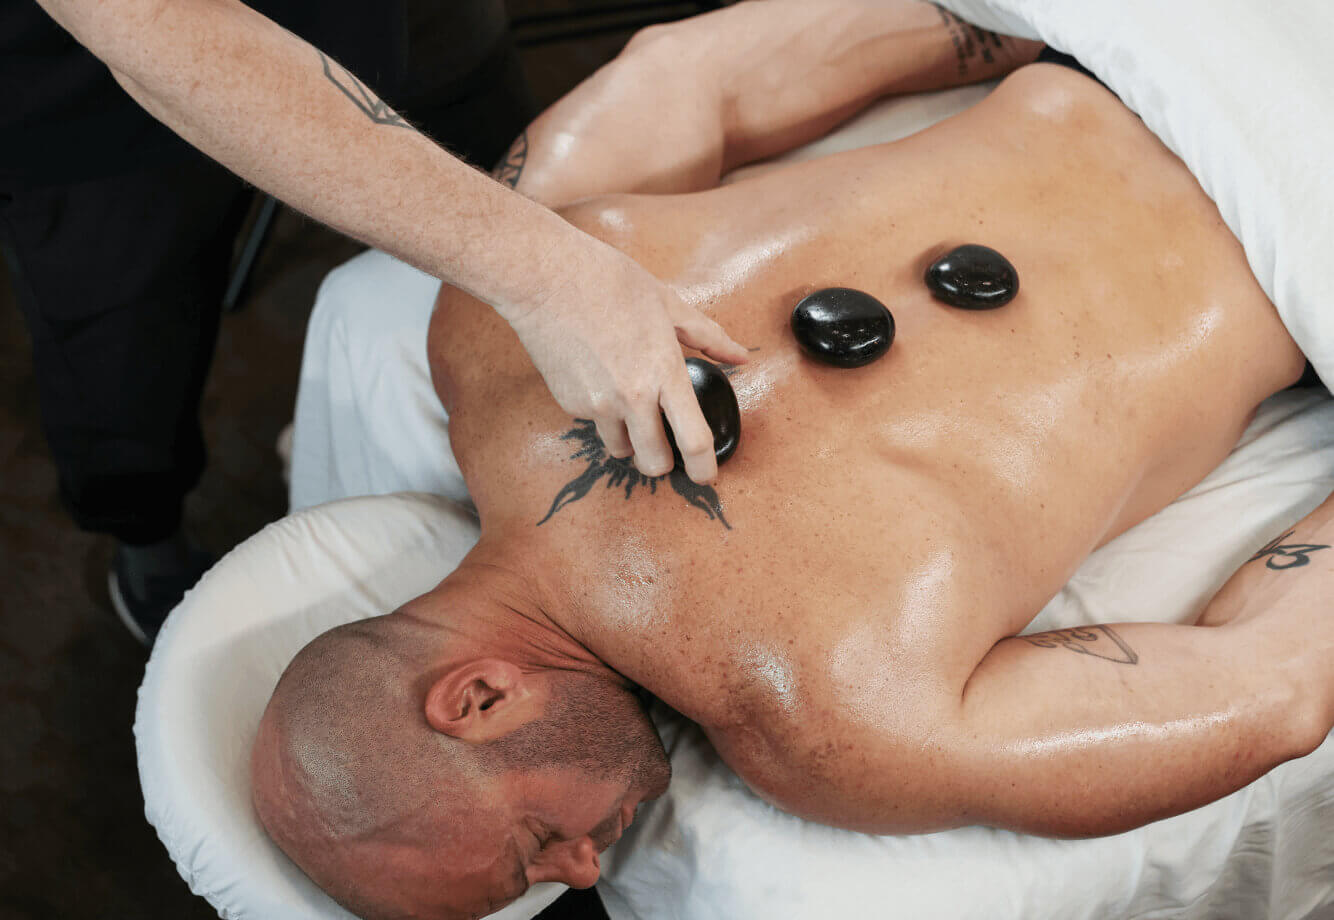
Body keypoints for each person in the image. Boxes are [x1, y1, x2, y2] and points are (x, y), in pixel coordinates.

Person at [250, 2, 1334, 918]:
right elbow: (690, 75)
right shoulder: (487, 317)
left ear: (477, 696)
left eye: (531, 846)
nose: (581, 869)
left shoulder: (843, 729)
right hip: (1159, 45)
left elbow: (1273, 687)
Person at [2, 0, 745, 644]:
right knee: (126, 344)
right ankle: (143, 531)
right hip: (101, 88)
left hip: (407, 17)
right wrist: (549, 278)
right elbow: (152, 22)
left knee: (520, 180)